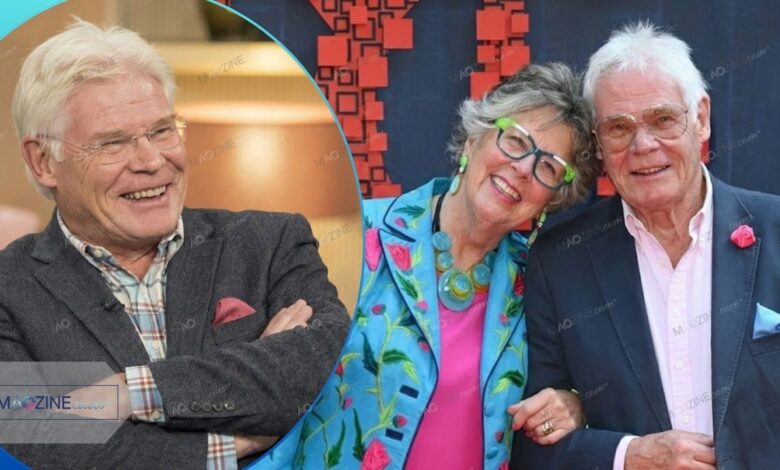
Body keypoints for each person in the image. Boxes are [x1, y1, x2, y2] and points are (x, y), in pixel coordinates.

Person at [0, 19, 350, 469]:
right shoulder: (9, 289)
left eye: (163, 130)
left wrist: (128, 392)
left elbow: (321, 371)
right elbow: (32, 440)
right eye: (114, 142)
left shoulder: (272, 243)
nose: (152, 161)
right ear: (45, 161)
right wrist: (231, 444)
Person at [261, 62, 600, 469]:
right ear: (475, 138)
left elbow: (572, 384)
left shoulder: (541, 283)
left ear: (552, 199)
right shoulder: (355, 238)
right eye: (515, 141)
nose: (523, 169)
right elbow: (271, 387)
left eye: (548, 167)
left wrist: (573, 403)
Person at [512, 22, 780, 470]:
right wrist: (628, 455)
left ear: (702, 118)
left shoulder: (775, 230)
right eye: (618, 128)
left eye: (662, 119)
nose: (643, 145)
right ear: (597, 144)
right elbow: (530, 441)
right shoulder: (560, 261)